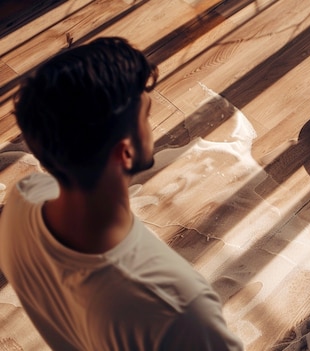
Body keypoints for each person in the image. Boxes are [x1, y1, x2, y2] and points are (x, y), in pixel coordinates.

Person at [0, 37, 243, 351]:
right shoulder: (179, 307)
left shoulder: (22, 201)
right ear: (125, 153)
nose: (150, 126)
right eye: (146, 116)